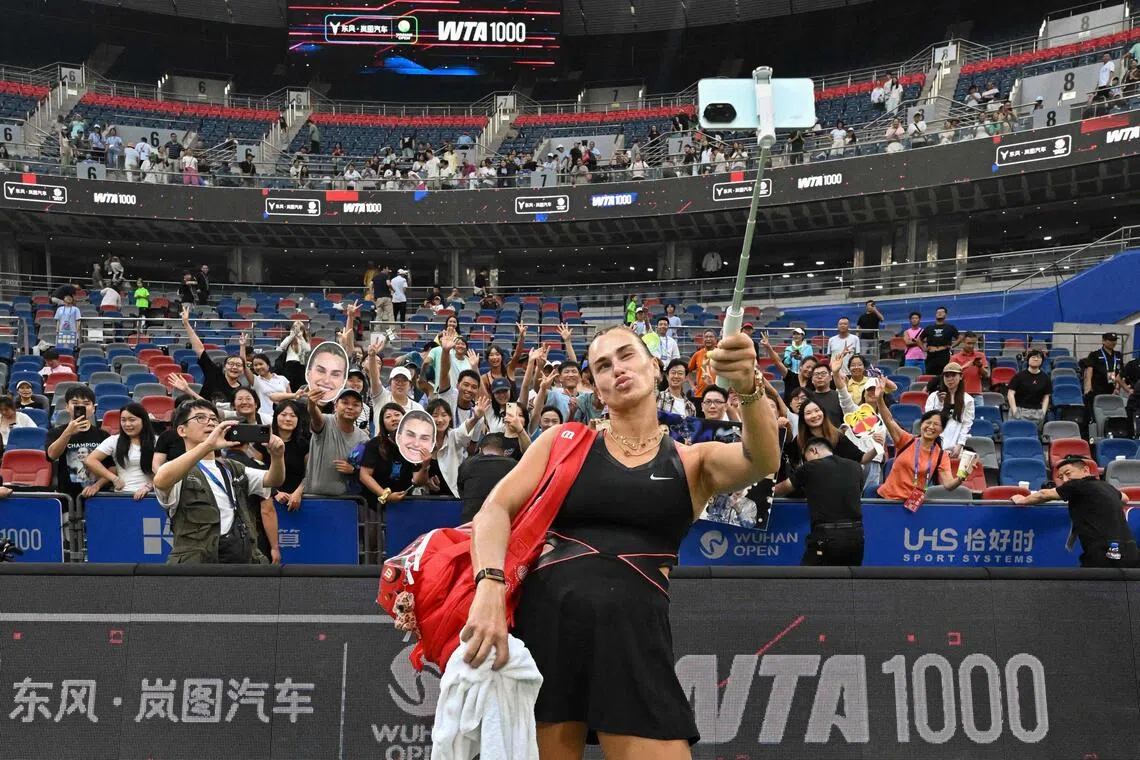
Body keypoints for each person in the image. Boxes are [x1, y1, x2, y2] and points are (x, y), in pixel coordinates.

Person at [462, 327, 778, 757]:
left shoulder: (691, 460)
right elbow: (494, 511)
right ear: (595, 386)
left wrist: (748, 386)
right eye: (603, 366)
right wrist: (489, 586)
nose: (617, 369)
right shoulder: (562, 442)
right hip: (547, 633)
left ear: (654, 367)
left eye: (627, 356)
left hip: (634, 640)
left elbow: (761, 459)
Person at [153, 400, 285, 564]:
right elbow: (160, 480)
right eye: (200, 418)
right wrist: (208, 445)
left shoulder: (232, 467)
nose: (210, 422)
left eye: (214, 419)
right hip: (198, 563)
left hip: (240, 555)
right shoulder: (177, 470)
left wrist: (277, 457)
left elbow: (273, 479)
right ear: (182, 430)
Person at [1013, 455, 1137, 567]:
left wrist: (1022, 500)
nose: (1065, 480)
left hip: (1104, 552)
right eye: (1061, 477)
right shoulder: (1107, 486)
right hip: (1131, 551)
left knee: (1092, 590)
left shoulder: (1077, 485)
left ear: (1085, 470)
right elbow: (1125, 498)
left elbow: (1044, 494)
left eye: (1068, 473)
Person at [774, 436, 865, 565]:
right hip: (857, 535)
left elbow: (783, 488)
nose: (806, 462)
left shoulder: (810, 467)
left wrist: (757, 491)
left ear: (814, 451)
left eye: (806, 458)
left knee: (809, 581)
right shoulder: (856, 466)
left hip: (826, 536)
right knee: (848, 582)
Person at [874, 403, 964, 503]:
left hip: (913, 505)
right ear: (921, 424)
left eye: (936, 424)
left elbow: (948, 484)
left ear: (942, 430)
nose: (931, 427)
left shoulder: (941, 456)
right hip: (887, 500)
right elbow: (889, 420)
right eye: (928, 422)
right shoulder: (906, 440)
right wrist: (880, 398)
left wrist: (962, 477)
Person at [46, 386, 110, 500]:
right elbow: (51, 455)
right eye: (75, 403)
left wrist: (96, 486)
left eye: (86, 403)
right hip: (68, 496)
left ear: (93, 408)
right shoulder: (56, 432)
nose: (80, 407)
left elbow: (112, 467)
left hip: (99, 495)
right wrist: (68, 433)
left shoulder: (104, 435)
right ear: (66, 406)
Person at [84, 402, 156, 500]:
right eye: (123, 420)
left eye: (132, 420)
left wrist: (149, 486)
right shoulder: (114, 440)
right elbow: (90, 460)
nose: (127, 424)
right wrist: (113, 478)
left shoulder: (156, 441)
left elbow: (165, 471)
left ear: (143, 420)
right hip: (122, 496)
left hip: (151, 496)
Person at [305, 386, 369, 497]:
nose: (350, 407)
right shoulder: (326, 421)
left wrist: (353, 470)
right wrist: (311, 405)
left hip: (346, 501)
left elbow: (366, 472)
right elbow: (316, 417)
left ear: (361, 410)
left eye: (355, 405)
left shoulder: (364, 439)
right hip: (314, 497)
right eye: (345, 403)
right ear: (335, 406)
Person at [457, 433, 518, 522]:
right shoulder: (513, 465)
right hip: (502, 523)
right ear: (504, 452)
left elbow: (461, 491)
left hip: (470, 523)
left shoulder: (467, 464)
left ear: (480, 449)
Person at [923, 362, 974, 457]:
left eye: (953, 375)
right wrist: (940, 403)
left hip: (955, 445)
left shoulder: (968, 400)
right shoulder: (934, 396)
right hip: (934, 444)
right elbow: (930, 420)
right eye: (947, 375)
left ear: (961, 376)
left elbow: (966, 425)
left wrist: (960, 444)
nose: (950, 379)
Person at [239, 336, 293, 420]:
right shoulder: (256, 381)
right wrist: (242, 346)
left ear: (268, 365)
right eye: (255, 365)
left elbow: (291, 398)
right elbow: (244, 366)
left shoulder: (282, 379)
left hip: (283, 416)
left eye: (261, 364)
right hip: (264, 417)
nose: (258, 367)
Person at [1007, 349, 1053, 430]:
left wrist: (1043, 412)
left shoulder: (1046, 378)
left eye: (1038, 358)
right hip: (1019, 411)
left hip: (1037, 413)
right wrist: (1014, 411)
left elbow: (1046, 396)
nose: (1036, 359)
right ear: (1028, 360)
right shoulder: (1019, 376)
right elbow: (1010, 393)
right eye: (1033, 357)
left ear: (1042, 361)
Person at [1083, 332, 1122, 411]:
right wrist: (1088, 386)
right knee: (1096, 411)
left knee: (1110, 411)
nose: (1113, 342)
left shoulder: (1118, 355)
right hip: (1097, 388)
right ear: (1103, 341)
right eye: (1110, 340)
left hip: (1112, 388)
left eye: (1115, 340)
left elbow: (1120, 373)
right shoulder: (1095, 354)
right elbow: (1089, 371)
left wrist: (1117, 388)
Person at [923, 307, 960, 376]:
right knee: (929, 377)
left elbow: (960, 338)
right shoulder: (929, 328)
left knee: (944, 375)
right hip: (931, 357)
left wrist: (952, 346)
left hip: (944, 355)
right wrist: (923, 348)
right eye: (938, 312)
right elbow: (919, 339)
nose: (939, 313)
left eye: (942, 312)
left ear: (945, 314)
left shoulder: (950, 327)